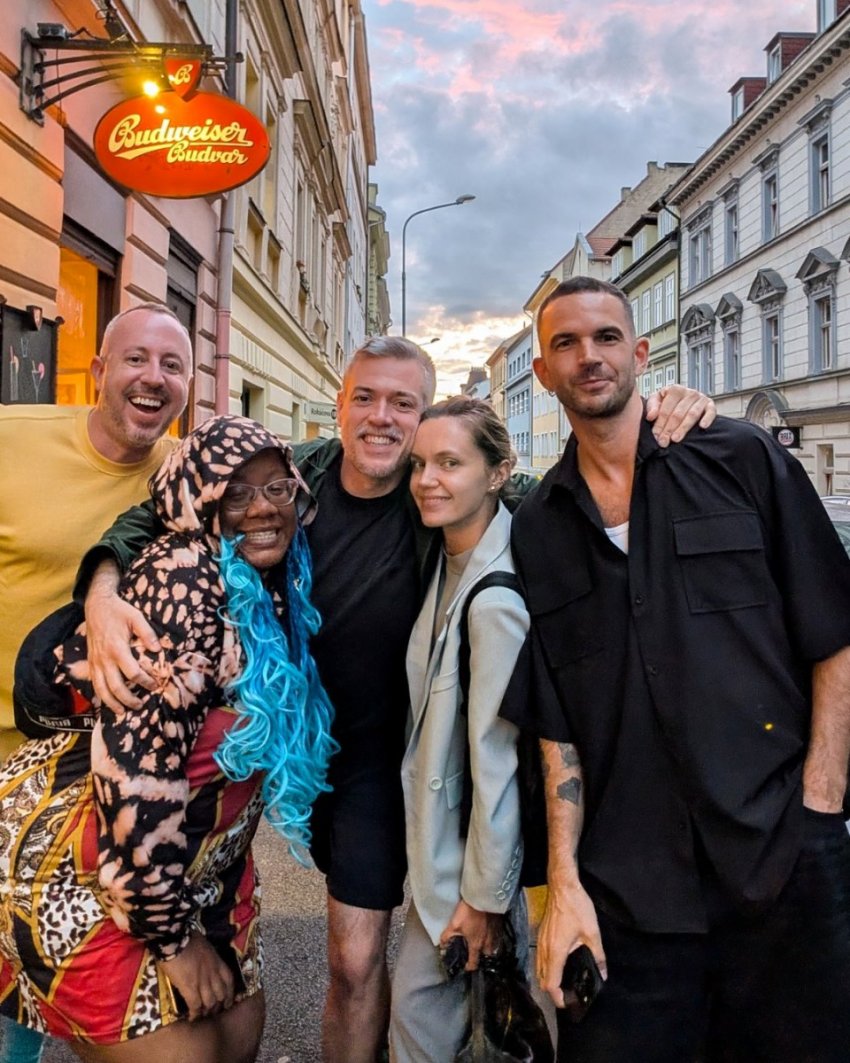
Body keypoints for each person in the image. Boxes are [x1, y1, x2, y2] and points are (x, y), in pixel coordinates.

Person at [74, 337, 715, 1063]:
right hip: (328, 761)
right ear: (341, 404)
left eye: (403, 403)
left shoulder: (442, 482)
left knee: (408, 949)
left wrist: (663, 414)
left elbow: (570, 491)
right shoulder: (296, 476)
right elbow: (168, 512)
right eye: (367, 398)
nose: (382, 418)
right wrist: (101, 586)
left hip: (421, 754)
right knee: (328, 952)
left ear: (423, 414)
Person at [505, 276, 850, 1061]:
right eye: (566, 343)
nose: (589, 356)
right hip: (627, 894)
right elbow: (557, 720)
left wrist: (821, 811)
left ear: (641, 352)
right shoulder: (539, 526)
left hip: (779, 858)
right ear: (542, 372)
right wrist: (565, 882)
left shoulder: (739, 456)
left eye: (605, 337)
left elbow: (834, 631)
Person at [0, 415, 336, 1062]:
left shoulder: (279, 579)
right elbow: (133, 780)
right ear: (200, 501)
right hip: (93, 861)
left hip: (198, 871)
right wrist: (177, 943)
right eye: (236, 493)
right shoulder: (184, 582)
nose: (263, 508)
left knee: (237, 1034)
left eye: (278, 488)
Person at [0, 302, 192, 1063]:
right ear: (98, 370)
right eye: (136, 359)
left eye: (172, 365)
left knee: (55, 964)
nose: (153, 378)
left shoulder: (185, 474)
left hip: (90, 764)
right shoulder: (14, 442)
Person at [389, 397, 528, 1062]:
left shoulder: (495, 598)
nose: (427, 479)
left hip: (463, 867)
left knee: (421, 1024)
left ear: (499, 472)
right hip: (437, 846)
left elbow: (495, 758)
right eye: (419, 463)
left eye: (450, 462)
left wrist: (484, 899)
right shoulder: (444, 555)